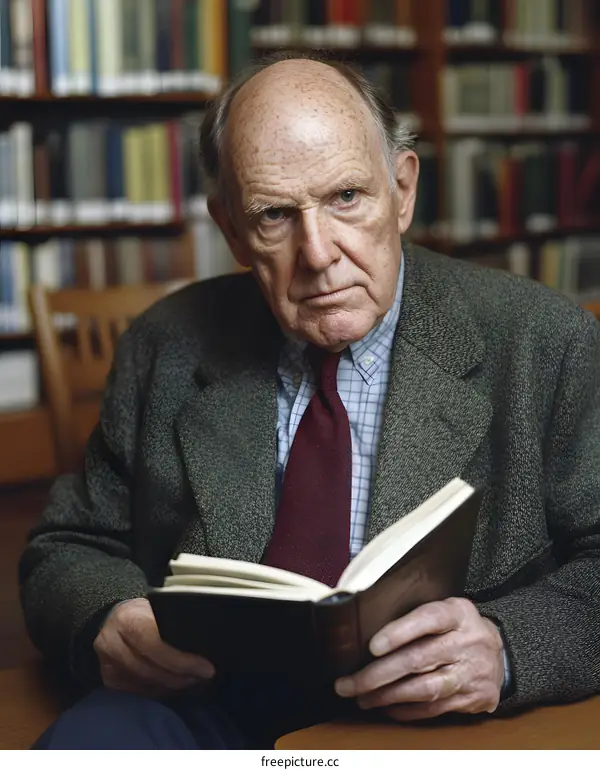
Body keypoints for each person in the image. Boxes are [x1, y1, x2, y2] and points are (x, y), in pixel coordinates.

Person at [20, 51, 600, 750]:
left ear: (402, 190)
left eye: (346, 197)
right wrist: (106, 618)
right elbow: (69, 546)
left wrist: (508, 648)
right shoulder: (164, 346)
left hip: (438, 725)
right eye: (273, 215)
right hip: (206, 706)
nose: (319, 253)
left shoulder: (543, 341)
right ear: (231, 229)